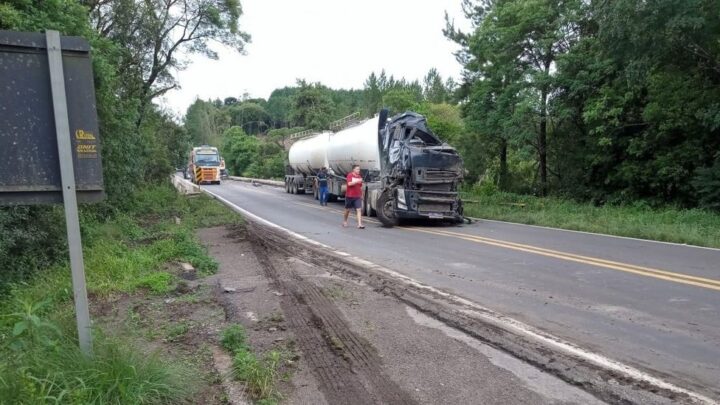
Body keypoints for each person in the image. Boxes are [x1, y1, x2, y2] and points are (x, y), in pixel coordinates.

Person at [343, 165, 364, 229]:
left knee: (359, 209)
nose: (358, 170)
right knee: (347, 210)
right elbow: (349, 184)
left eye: (359, 169)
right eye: (357, 169)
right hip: (349, 196)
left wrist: (362, 194)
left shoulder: (359, 177)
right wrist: (356, 181)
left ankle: (359, 224)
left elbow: (360, 186)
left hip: (357, 196)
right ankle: (345, 221)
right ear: (353, 170)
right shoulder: (350, 175)